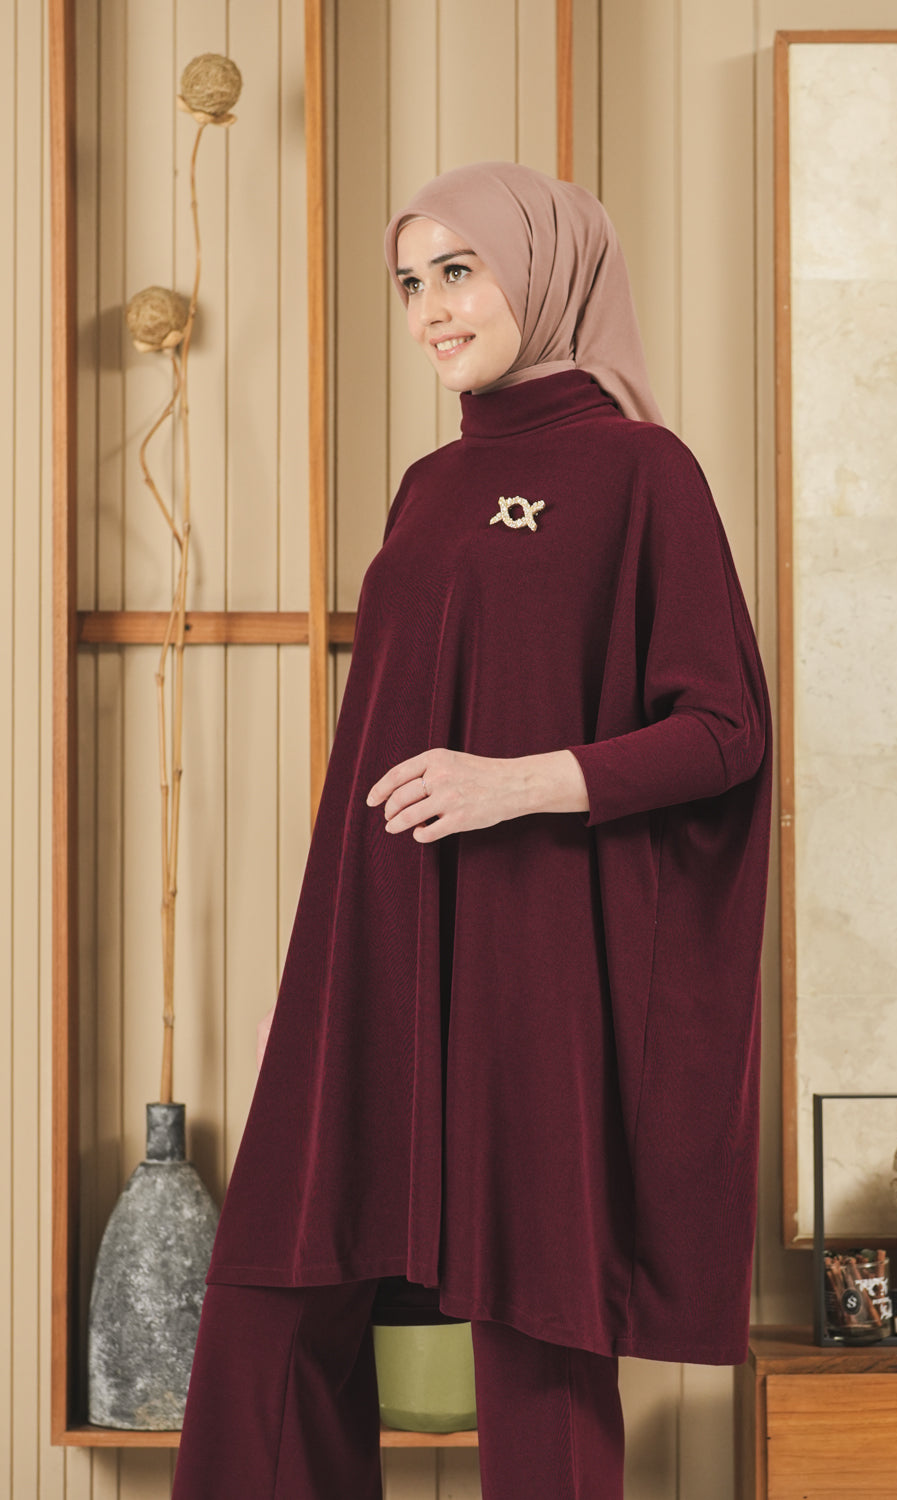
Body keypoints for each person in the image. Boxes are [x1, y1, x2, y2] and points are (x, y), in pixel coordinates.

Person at [172, 161, 771, 1500]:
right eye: (411, 282)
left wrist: (523, 782)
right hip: (378, 948)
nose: (431, 309)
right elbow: (383, 736)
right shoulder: (430, 484)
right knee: (274, 1298)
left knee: (533, 1327)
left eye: (460, 270)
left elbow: (726, 729)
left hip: (534, 959)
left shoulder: (642, 471)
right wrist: (334, 959)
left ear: (547, 273)